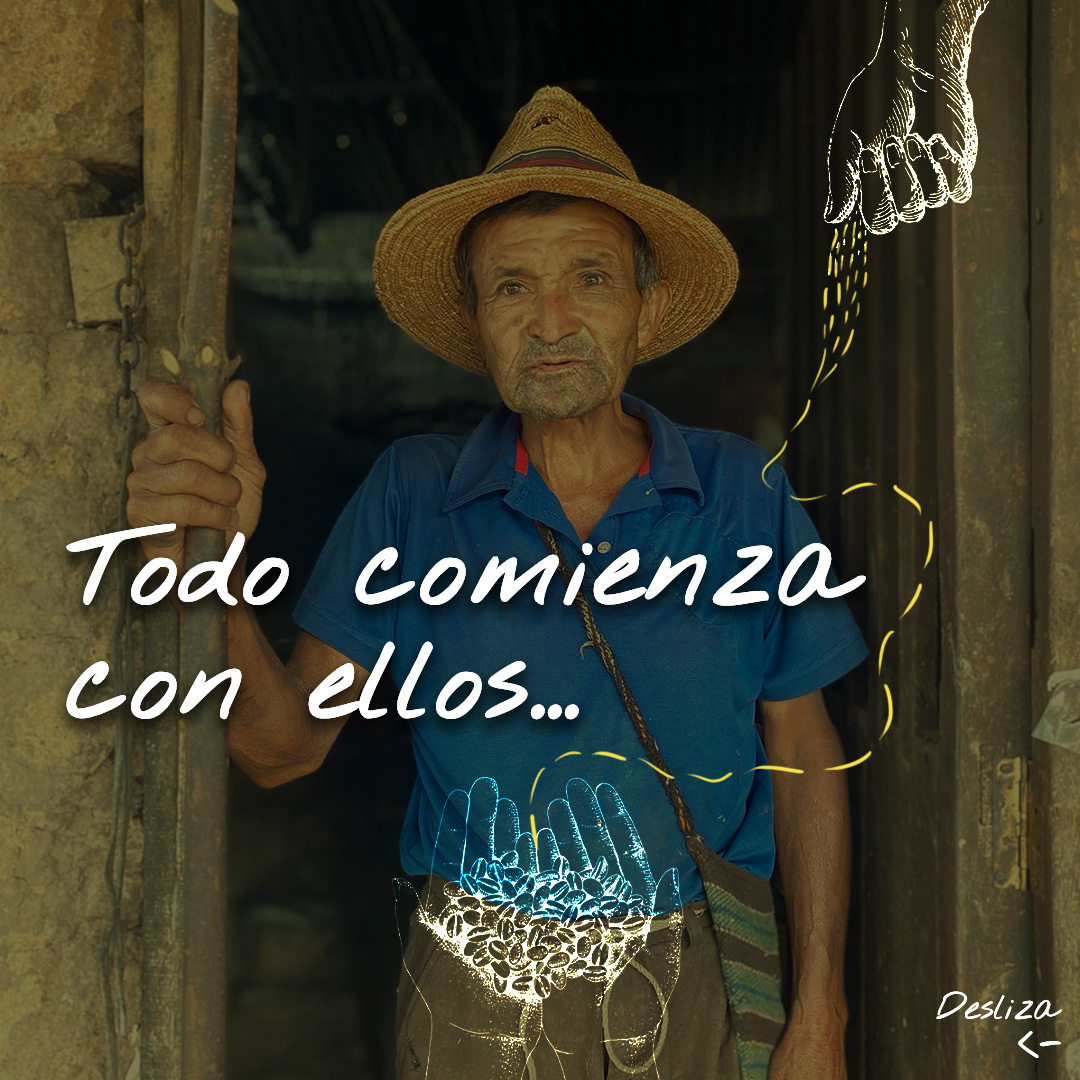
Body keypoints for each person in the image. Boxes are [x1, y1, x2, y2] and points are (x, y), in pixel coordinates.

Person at [127, 86, 866, 1079]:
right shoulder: (414, 500)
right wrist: (210, 566)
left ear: (642, 309)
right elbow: (280, 748)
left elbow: (804, 749)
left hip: (700, 974)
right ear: (476, 321)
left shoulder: (742, 494)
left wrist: (821, 1003)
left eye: (589, 278)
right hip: (477, 985)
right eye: (512, 286)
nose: (550, 319)